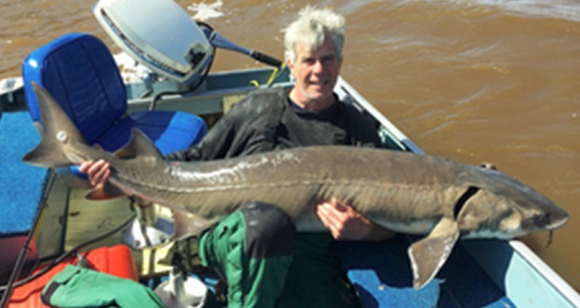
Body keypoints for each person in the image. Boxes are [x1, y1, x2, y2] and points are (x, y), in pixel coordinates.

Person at [81, 6, 395, 307]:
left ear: (340, 62)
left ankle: (241, 285)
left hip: (306, 247)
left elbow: (395, 209)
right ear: (290, 64)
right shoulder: (258, 107)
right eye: (308, 60)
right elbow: (196, 157)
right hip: (231, 228)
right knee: (266, 224)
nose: (318, 71)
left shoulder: (357, 130)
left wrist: (366, 230)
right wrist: (118, 170)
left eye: (327, 59)